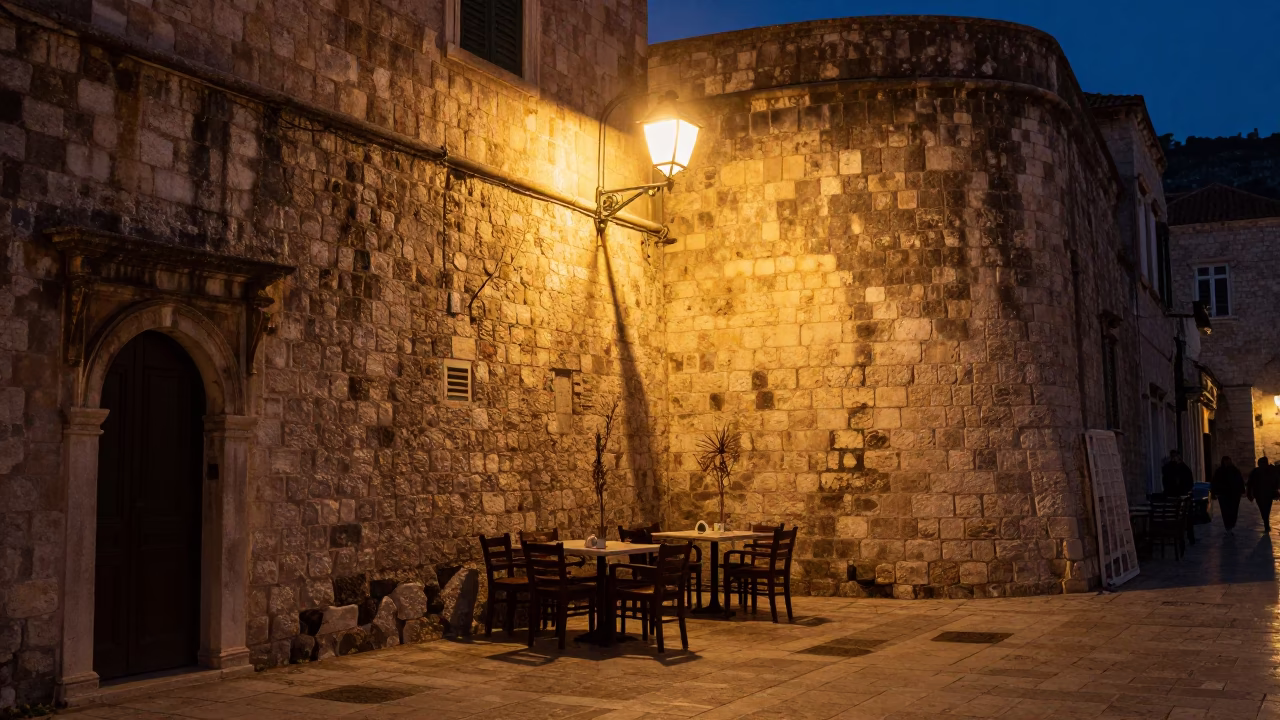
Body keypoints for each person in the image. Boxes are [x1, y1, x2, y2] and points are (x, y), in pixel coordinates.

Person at [1162, 450, 1196, 543]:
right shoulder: (1169, 468)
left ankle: (1190, 537)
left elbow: (1189, 482)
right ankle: (1177, 536)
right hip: (1173, 496)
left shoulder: (1184, 468)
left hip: (1182, 496)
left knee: (1187, 517)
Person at [1210, 456, 1245, 533]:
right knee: (1225, 511)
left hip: (1234, 494)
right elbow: (1215, 482)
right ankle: (1228, 525)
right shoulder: (1219, 471)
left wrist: (1242, 491)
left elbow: (1239, 480)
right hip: (1223, 494)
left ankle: (1231, 524)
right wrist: (1214, 493)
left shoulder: (1235, 471)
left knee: (1234, 510)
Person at [1248, 457, 1280, 532]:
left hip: (1259, 493)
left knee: (1263, 509)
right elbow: (1277, 480)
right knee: (1266, 509)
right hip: (1268, 493)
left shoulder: (1256, 471)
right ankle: (1266, 523)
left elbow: (1250, 483)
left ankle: (1266, 523)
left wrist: (1249, 493)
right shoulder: (1271, 470)